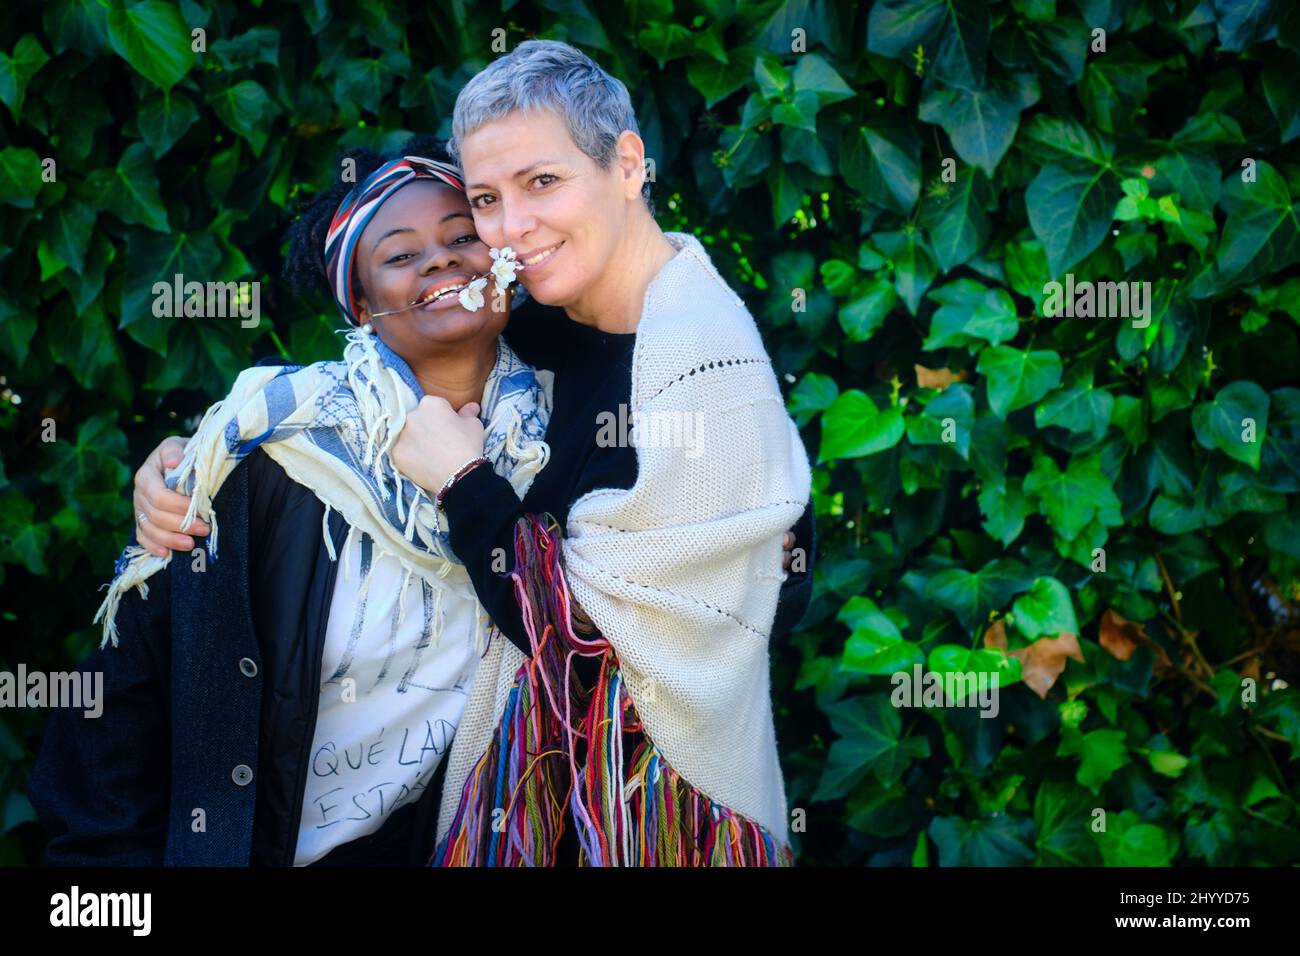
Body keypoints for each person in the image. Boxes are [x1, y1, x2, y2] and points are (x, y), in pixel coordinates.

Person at [131, 41, 818, 866]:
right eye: (488, 198)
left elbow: (593, 648)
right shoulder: (532, 334)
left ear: (628, 163)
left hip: (643, 823)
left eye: (543, 183)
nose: (512, 228)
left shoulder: (696, 366)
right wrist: (186, 461)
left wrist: (464, 483)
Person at [29, 139, 556, 866]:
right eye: (400, 255)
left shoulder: (559, 453)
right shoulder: (268, 451)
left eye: (463, 236)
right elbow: (120, 704)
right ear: (363, 307)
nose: (440, 259)